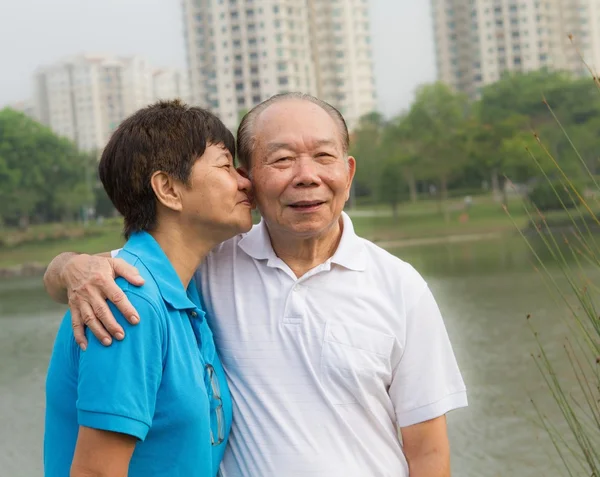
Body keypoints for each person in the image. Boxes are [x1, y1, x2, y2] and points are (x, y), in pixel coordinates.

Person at [44, 93, 468, 476]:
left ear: (348, 171)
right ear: (249, 180)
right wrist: (71, 267)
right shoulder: (181, 275)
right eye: (281, 160)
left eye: (324, 156)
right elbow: (106, 276)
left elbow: (429, 454)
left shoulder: (400, 286)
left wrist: (71, 268)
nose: (307, 176)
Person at [43, 100, 253, 477]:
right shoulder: (128, 301)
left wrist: (65, 264)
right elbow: (97, 472)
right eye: (224, 165)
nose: (244, 180)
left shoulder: (185, 289)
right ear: (168, 189)